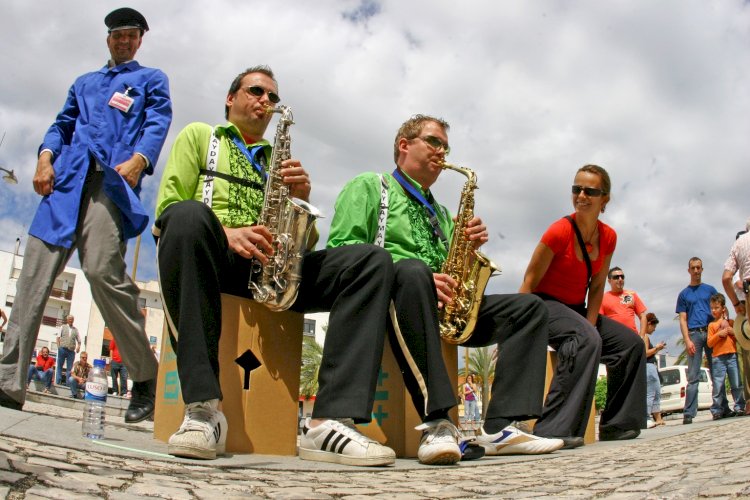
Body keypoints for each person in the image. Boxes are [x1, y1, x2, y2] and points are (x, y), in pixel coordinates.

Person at [153, 66, 396, 466]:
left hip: (273, 269)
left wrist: (302, 199)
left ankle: (328, 421)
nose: (266, 102)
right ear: (231, 98)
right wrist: (227, 232)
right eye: (256, 92)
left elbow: (306, 244)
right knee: (187, 215)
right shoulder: (200, 135)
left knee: (370, 261)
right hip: (215, 257)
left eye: (273, 98)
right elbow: (166, 211)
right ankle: (202, 409)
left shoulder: (278, 163)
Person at [328, 114, 563, 464]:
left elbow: (456, 269)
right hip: (398, 294)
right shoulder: (369, 185)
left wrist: (469, 250)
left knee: (529, 309)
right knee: (413, 271)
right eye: (434, 142)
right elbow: (343, 250)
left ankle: (501, 427)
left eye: (446, 146)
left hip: (442, 308)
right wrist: (407, 272)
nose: (442, 152)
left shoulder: (439, 210)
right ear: (404, 145)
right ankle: (438, 421)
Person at [0, 8, 171, 421]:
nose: (123, 41)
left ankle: (144, 376)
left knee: (100, 271)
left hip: (110, 185)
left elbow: (157, 120)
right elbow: (60, 125)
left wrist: (141, 160)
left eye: (131, 35)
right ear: (108, 39)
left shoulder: (150, 79)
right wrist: (45, 159)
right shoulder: (84, 83)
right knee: (33, 279)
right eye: (117, 36)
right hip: (65, 185)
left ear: (140, 40)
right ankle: (8, 383)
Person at [520, 164, 647, 445]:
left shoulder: (609, 236)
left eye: (590, 191)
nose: (581, 195)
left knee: (631, 345)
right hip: (543, 306)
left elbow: (598, 285)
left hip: (577, 309)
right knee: (584, 337)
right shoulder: (558, 232)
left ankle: (617, 424)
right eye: (577, 189)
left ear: (605, 199)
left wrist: (590, 323)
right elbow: (529, 282)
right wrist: (518, 332)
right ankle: (553, 429)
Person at [676, 257, 731, 424]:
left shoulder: (710, 290)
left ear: (702, 269)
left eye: (698, 267)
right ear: (688, 270)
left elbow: (722, 308)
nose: (696, 271)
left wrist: (725, 323)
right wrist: (687, 340)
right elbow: (683, 319)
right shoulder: (684, 294)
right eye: (693, 268)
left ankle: (722, 408)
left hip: (712, 332)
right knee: (693, 376)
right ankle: (689, 413)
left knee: (717, 372)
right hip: (694, 335)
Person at [706, 293, 745, 418]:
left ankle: (739, 407)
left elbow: (739, 337)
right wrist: (719, 334)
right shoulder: (712, 325)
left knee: (736, 383)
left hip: (732, 356)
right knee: (718, 385)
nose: (713, 310)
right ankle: (717, 410)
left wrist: (732, 331)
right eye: (711, 308)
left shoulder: (731, 322)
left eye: (716, 307)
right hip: (718, 358)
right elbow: (709, 343)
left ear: (723, 308)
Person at [599, 267, 648, 336]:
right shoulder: (602, 298)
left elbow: (643, 316)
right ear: (609, 281)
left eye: (622, 276)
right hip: (614, 340)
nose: (620, 279)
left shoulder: (632, 294)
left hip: (633, 337)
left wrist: (642, 336)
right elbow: (599, 321)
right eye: (616, 277)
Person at [643, 313, 665, 427]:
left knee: (655, 392)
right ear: (649, 324)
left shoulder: (646, 336)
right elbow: (645, 353)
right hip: (648, 367)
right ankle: (646, 417)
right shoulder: (645, 336)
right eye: (654, 327)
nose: (654, 329)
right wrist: (656, 348)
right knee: (651, 393)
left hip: (651, 367)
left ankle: (658, 418)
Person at [56, 315, 81, 385]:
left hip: (71, 351)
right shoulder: (62, 327)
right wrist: (59, 347)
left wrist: (78, 347)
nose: (70, 320)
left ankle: (67, 383)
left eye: (72, 319)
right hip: (62, 349)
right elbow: (58, 337)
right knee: (59, 366)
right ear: (67, 320)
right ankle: (58, 381)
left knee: (69, 368)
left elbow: (79, 340)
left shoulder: (75, 330)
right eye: (69, 319)